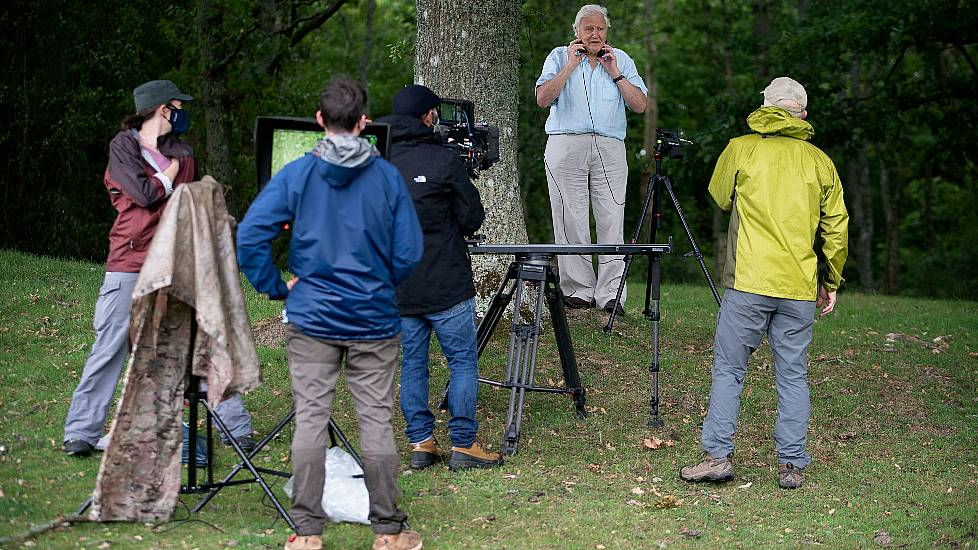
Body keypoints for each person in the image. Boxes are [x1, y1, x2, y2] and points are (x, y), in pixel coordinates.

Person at [237, 77, 424, 550]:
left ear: (320, 121)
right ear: (364, 123)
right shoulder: (386, 177)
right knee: (376, 422)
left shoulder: (299, 173)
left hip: (312, 318)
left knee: (311, 420)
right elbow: (409, 250)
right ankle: (387, 534)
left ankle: (306, 534)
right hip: (373, 320)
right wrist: (380, 283)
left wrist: (277, 286)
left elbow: (250, 235)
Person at [63, 80, 256, 458]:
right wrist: (164, 180)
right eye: (178, 105)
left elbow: (169, 202)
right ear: (162, 109)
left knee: (202, 341)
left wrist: (161, 184)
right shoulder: (123, 146)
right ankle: (81, 432)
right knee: (110, 346)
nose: (183, 112)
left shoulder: (182, 152)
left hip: (175, 263)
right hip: (129, 261)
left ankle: (236, 427)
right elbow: (143, 195)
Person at [679, 77, 849, 489]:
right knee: (793, 375)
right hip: (797, 285)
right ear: (802, 114)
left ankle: (717, 457)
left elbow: (719, 195)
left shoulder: (740, 148)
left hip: (748, 281)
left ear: (766, 108)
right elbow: (837, 228)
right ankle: (792, 465)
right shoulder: (820, 161)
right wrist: (831, 279)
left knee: (729, 370)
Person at [376, 85, 504, 472]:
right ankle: (464, 444)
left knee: (413, 363)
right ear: (429, 116)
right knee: (462, 362)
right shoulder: (444, 160)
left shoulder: (375, 160)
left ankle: (421, 443)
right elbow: (471, 219)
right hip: (446, 281)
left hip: (399, 285)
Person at [535, 4, 648, 315]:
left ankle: (612, 294)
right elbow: (543, 98)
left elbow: (639, 105)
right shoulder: (559, 56)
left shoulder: (621, 59)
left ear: (606, 32)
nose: (595, 34)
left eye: (600, 28)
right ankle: (578, 291)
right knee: (570, 216)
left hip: (610, 146)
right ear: (577, 33)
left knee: (612, 216)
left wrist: (616, 73)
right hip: (565, 143)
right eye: (588, 29)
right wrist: (570, 66)